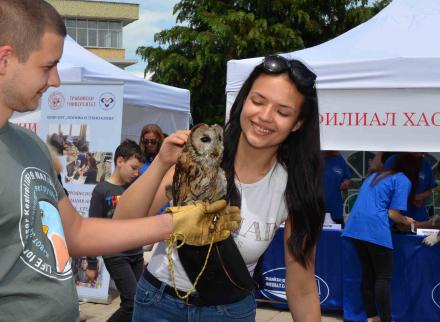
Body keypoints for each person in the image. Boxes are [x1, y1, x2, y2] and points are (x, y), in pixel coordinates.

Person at [0, 0, 239, 321]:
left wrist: (175, 222)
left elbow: (75, 233)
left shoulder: (27, 144)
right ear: (4, 59)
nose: (56, 80)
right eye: (48, 66)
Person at [115, 54, 324, 321]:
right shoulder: (201, 151)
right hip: (158, 304)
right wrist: (161, 164)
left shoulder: (295, 188)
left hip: (229, 312)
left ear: (297, 123)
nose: (265, 116)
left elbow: (303, 289)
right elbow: (122, 223)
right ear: (243, 101)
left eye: (283, 112)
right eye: (257, 101)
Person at [342, 153, 419, 322]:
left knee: (368, 274)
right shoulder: (402, 179)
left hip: (355, 227)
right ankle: (386, 319)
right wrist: (407, 220)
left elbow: (377, 205)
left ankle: (372, 317)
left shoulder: (375, 176)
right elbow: (393, 214)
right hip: (374, 229)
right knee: (383, 277)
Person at [88, 139, 145, 322]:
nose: (136, 173)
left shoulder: (135, 188)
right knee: (132, 302)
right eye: (133, 168)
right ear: (120, 161)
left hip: (136, 253)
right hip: (115, 254)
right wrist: (91, 263)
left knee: (139, 303)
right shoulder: (101, 190)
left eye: (138, 170)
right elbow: (93, 226)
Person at [383, 152, 435, 222]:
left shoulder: (425, 163)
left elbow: (430, 190)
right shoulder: (394, 161)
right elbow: (392, 213)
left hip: (418, 217)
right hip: (395, 220)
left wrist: (420, 196)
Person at [322, 151, 353, 225]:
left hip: (336, 211)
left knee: (337, 234)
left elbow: (347, 177)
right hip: (318, 211)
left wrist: (346, 183)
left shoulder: (339, 159)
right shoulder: (315, 158)